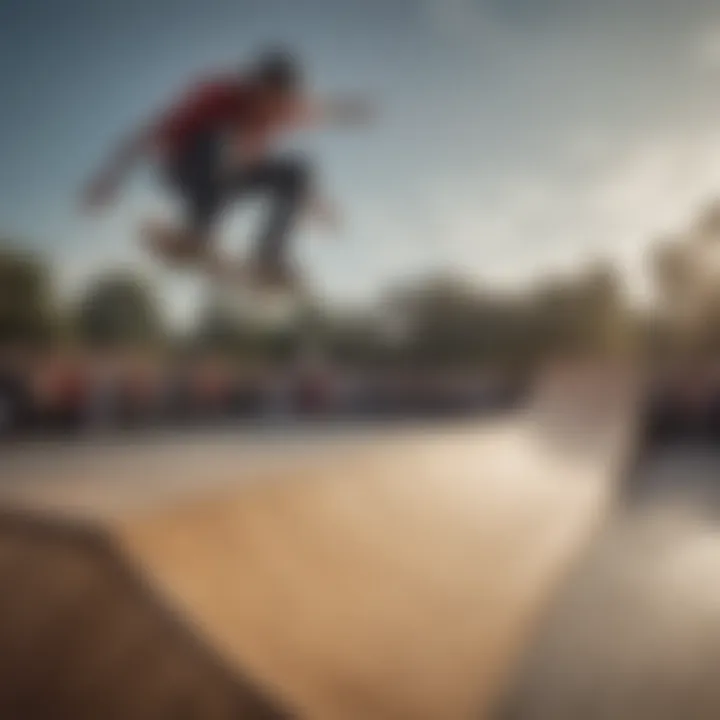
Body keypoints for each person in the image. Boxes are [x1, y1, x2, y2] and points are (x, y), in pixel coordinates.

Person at [81, 49, 372, 288]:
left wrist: (315, 205)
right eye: (265, 101)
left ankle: (269, 258)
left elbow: (320, 112)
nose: (268, 113)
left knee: (298, 170)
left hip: (229, 178)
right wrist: (108, 180)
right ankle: (198, 231)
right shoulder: (217, 96)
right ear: (254, 88)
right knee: (220, 141)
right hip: (185, 168)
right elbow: (144, 136)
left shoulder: (284, 110)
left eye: (277, 105)